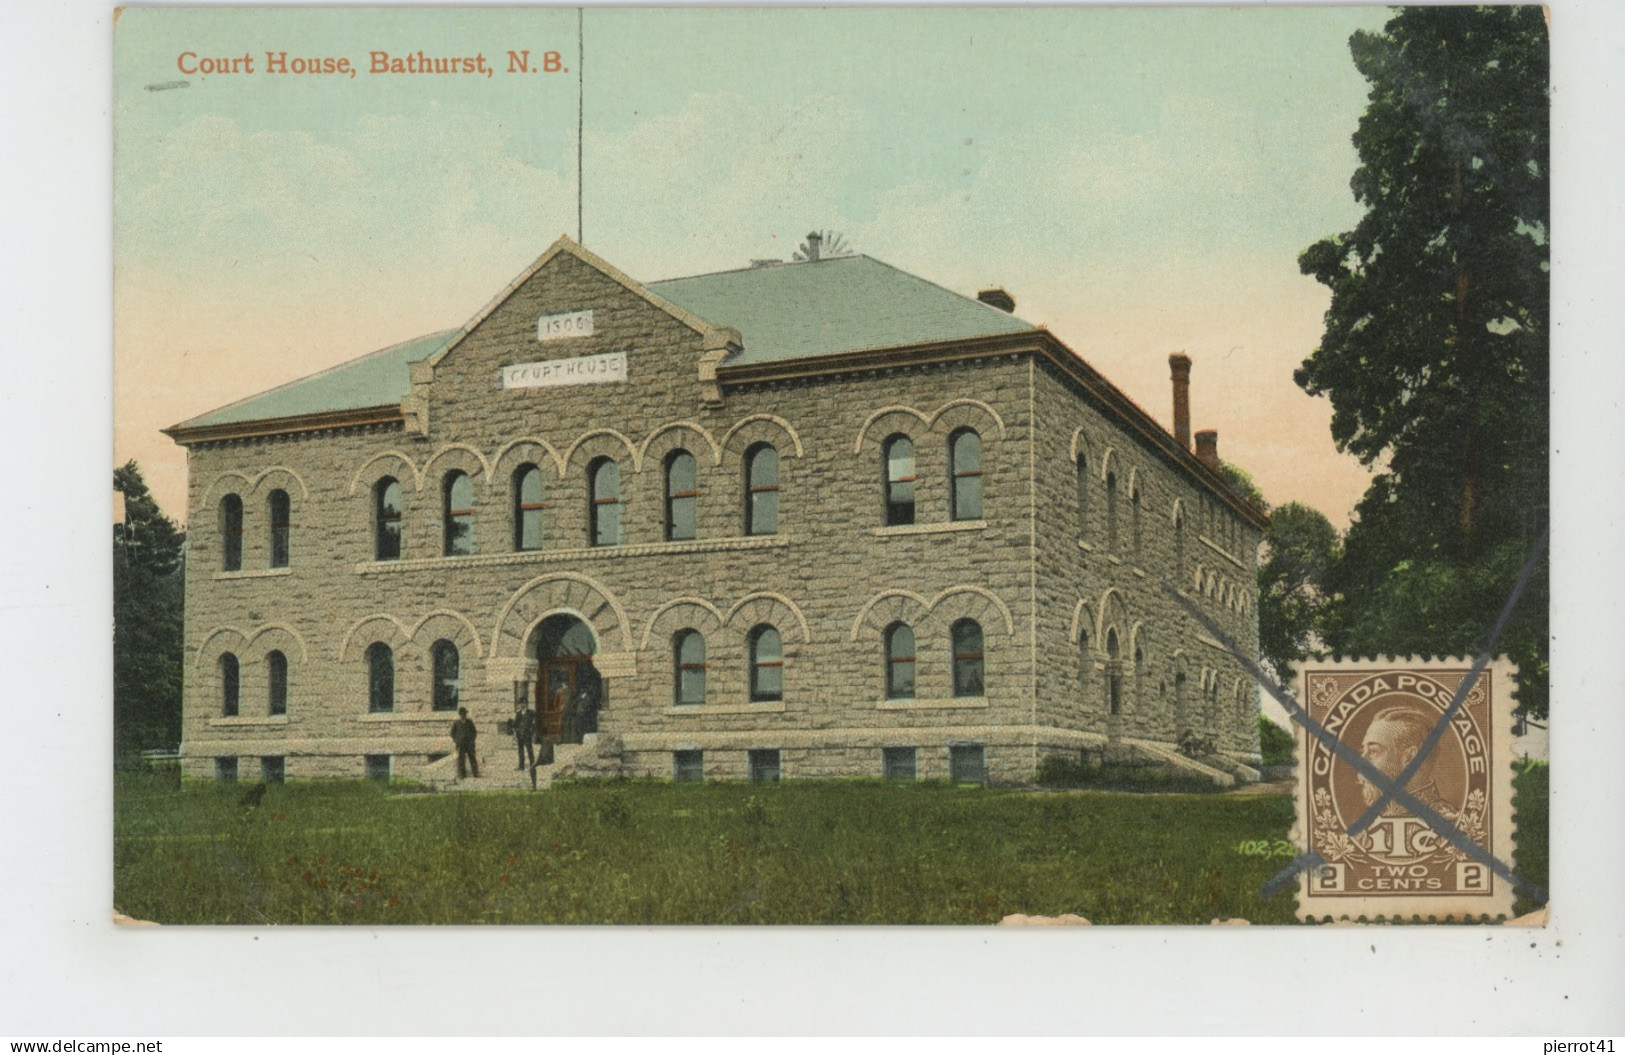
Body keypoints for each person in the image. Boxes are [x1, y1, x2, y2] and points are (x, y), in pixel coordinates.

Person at [1357, 706, 1455, 820]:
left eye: (1373, 751)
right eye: (1363, 751)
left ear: (1410, 756)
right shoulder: (1373, 819)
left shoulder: (1448, 821)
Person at [450, 706, 479, 779]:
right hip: (460, 744)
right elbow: (452, 733)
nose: (464, 715)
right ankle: (462, 774)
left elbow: (474, 732)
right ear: (460, 714)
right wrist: (456, 740)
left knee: (472, 758)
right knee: (461, 759)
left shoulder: (470, 722)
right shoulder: (456, 723)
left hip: (469, 744)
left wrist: (472, 740)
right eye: (462, 714)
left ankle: (475, 773)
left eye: (465, 714)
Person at [514, 702, 537, 771]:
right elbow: (515, 724)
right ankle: (521, 766)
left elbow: (537, 720)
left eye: (523, 703)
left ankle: (532, 765)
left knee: (529, 750)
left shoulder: (531, 713)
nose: (522, 705)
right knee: (520, 751)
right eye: (521, 704)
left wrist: (532, 730)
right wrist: (516, 731)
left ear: (526, 704)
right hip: (520, 734)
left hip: (527, 734)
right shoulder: (518, 713)